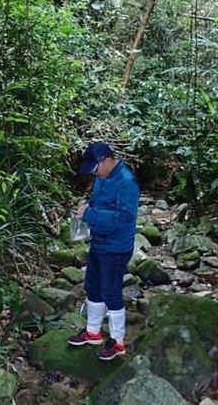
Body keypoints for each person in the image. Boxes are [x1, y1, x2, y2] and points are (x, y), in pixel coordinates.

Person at [67, 142, 139, 360]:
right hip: (99, 242)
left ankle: (118, 342)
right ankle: (93, 332)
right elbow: (98, 201)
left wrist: (91, 216)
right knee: (92, 287)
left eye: (95, 169)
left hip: (116, 247)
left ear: (107, 159)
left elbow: (125, 218)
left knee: (110, 292)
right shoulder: (102, 178)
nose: (94, 174)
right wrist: (87, 206)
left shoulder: (126, 182)